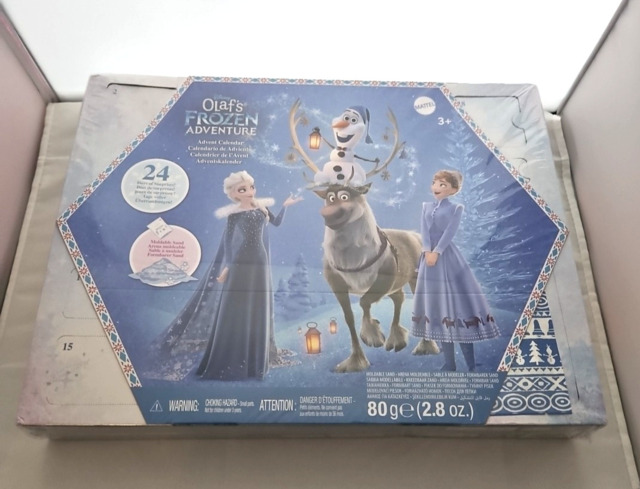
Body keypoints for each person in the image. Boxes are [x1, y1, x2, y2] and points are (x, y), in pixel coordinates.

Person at [160, 170, 301, 380]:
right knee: (235, 305)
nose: (249, 191)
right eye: (242, 189)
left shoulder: (262, 208)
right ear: (234, 194)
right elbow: (228, 242)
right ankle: (231, 353)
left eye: (251, 187)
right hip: (240, 260)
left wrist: (285, 206)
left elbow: (277, 222)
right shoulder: (234, 215)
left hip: (260, 260)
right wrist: (227, 267)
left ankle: (254, 359)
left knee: (258, 304)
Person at [411, 169, 499, 371]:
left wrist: (438, 252)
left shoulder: (456, 208)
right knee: (439, 311)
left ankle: (470, 364)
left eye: (443, 184)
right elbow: (424, 231)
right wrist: (427, 251)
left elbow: (450, 232)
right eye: (435, 183)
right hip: (429, 262)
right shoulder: (426, 207)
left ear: (453, 190)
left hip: (448, 260)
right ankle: (449, 363)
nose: (436, 187)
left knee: (459, 309)